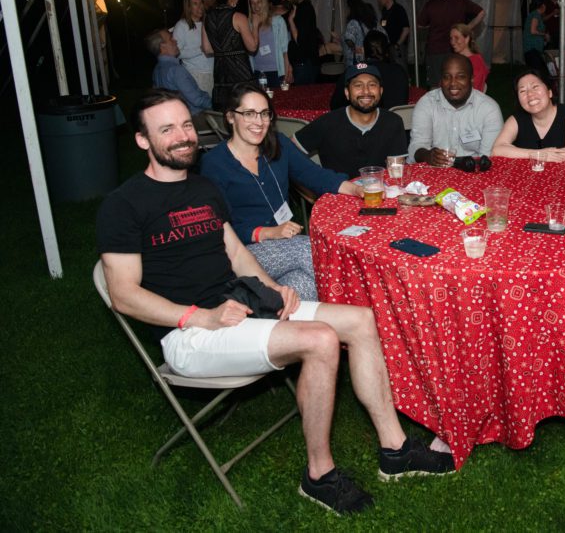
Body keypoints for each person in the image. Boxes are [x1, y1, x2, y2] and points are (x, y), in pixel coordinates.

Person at [97, 89, 455, 517]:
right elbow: (123, 295)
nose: (183, 136)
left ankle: (395, 450)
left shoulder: (203, 189)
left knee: (360, 320)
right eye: (167, 129)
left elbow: (236, 254)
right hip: (190, 333)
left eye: (187, 125)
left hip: (242, 305)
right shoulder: (123, 205)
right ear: (142, 140)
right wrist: (200, 316)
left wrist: (273, 290)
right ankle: (319, 475)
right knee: (321, 340)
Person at [200, 83, 361, 300]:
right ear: (230, 117)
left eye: (264, 114)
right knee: (312, 250)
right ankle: (363, 303)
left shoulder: (278, 145)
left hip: (284, 245)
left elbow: (314, 175)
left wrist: (356, 189)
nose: (259, 122)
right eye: (249, 114)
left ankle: (271, 314)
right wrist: (266, 233)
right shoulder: (214, 164)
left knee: (301, 288)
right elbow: (216, 228)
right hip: (243, 253)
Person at [297, 63, 409, 179]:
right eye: (358, 85)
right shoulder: (327, 123)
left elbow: (396, 173)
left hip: (378, 191)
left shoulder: (392, 122)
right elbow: (287, 152)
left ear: (380, 91)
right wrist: (314, 183)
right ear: (347, 93)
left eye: (372, 85)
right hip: (337, 194)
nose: (366, 91)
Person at [408, 54, 502, 166]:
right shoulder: (427, 104)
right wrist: (427, 155)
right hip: (434, 171)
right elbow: (416, 146)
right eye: (447, 77)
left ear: (471, 79)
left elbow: (488, 158)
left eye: (460, 77)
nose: (453, 83)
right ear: (441, 80)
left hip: (473, 173)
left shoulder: (489, 109)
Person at [491, 70, 565, 162]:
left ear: (550, 92)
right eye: (522, 91)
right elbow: (497, 150)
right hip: (529, 176)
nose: (530, 94)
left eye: (535, 87)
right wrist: (534, 154)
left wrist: (525, 154)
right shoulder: (516, 120)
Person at [418, 0, 485, 86]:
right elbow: (481, 12)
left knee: (436, 85)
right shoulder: (462, 2)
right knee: (456, 82)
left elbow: (420, 24)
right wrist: (467, 28)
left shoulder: (431, 4)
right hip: (457, 49)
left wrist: (433, 25)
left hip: (435, 49)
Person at [201, 0, 257, 109]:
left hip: (220, 72)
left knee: (227, 111)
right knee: (246, 108)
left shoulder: (207, 17)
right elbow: (252, 47)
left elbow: (207, 49)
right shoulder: (238, 17)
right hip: (240, 71)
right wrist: (256, 25)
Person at [330, 30, 409, 112]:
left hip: (368, 122)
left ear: (363, 50)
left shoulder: (354, 72)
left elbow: (335, 105)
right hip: (397, 120)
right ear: (387, 51)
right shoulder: (399, 71)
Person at [146, 29, 211, 115]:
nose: (175, 41)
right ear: (163, 47)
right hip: (194, 116)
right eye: (171, 39)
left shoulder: (157, 70)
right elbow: (197, 100)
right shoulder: (175, 70)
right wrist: (218, 105)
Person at [276, 0, 320, 85]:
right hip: (300, 63)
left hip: (305, 64)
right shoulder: (296, 7)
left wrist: (291, 21)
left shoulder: (304, 8)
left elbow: (299, 40)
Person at [171, 0, 214, 97]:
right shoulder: (182, 25)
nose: (200, 7)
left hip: (211, 73)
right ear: (188, 7)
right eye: (195, 3)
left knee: (211, 109)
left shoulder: (207, 23)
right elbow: (176, 52)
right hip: (194, 75)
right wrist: (201, 49)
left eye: (201, 3)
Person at [248, 0, 291, 88]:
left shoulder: (278, 21)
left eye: (259, 2)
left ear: (264, 3)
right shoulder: (249, 24)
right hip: (257, 71)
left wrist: (287, 71)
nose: (256, 6)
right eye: (253, 3)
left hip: (276, 71)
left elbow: (285, 50)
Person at [450, 22, 489, 92]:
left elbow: (475, 88)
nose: (452, 42)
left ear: (467, 39)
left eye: (456, 38)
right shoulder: (456, 59)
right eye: (451, 38)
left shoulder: (476, 61)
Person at [377, 0, 410, 64]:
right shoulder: (384, 10)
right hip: (388, 46)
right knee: (392, 68)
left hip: (397, 46)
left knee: (400, 68)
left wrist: (397, 44)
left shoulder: (398, 9)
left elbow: (406, 29)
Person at [343, 0, 376, 68]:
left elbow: (349, 39)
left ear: (351, 9)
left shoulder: (353, 22)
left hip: (354, 62)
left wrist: (354, 48)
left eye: (347, 8)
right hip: (366, 60)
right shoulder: (365, 22)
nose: (346, 10)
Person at [522, 0, 550, 80]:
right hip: (532, 48)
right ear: (542, 6)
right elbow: (533, 31)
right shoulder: (535, 15)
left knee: (536, 71)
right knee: (536, 71)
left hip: (533, 48)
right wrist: (544, 35)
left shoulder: (536, 15)